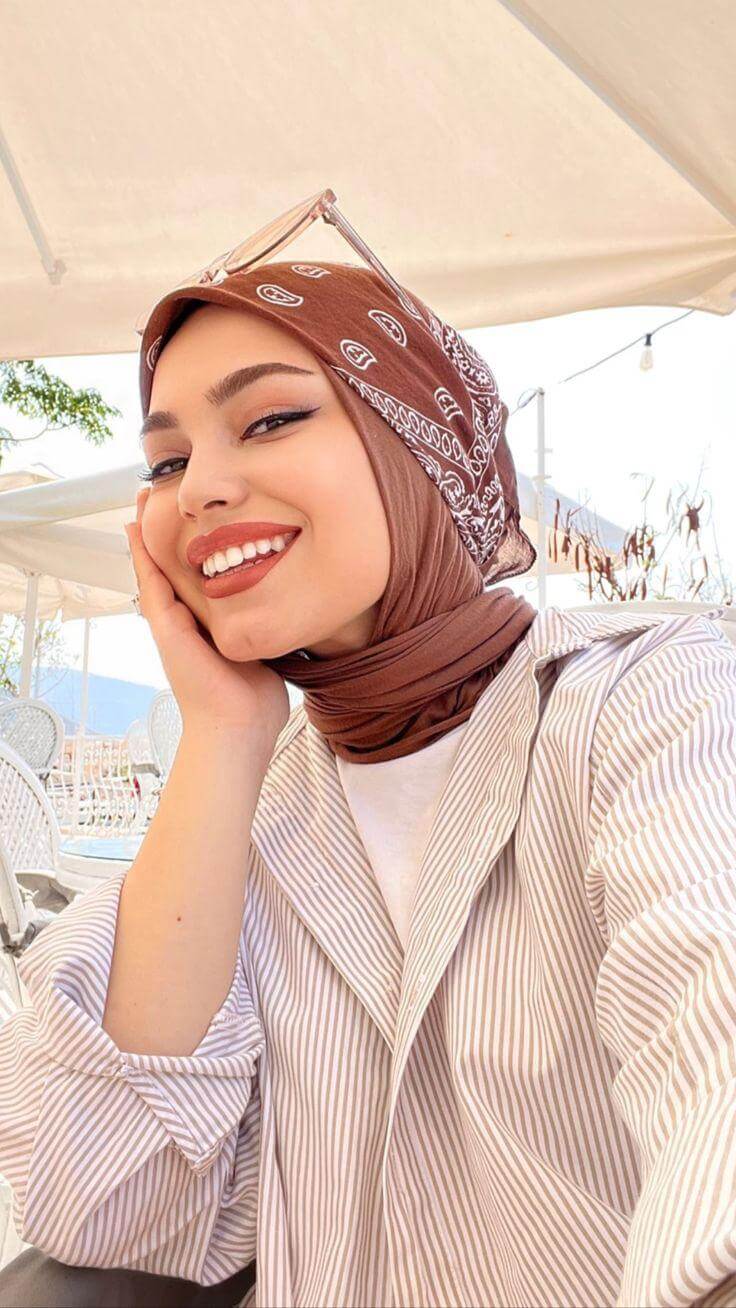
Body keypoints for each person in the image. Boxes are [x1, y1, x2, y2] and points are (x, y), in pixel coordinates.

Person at [0, 258, 735, 1308]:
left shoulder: (651, 699)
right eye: (165, 462)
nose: (197, 490)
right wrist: (221, 735)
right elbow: (108, 1206)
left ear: (423, 447)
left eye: (269, 420)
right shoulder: (250, 812)